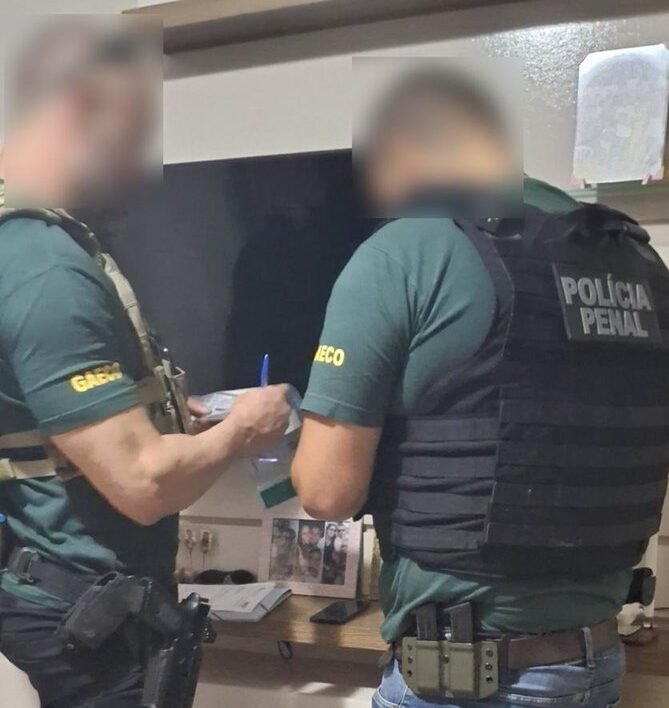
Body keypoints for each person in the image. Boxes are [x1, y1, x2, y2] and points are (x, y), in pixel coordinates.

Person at [292, 66, 669, 707]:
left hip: (468, 680)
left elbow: (327, 492)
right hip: (596, 663)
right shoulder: (636, 259)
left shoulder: (407, 251)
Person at [0, 20, 291, 708]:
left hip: (54, 592)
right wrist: (243, 429)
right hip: (89, 615)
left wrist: (167, 413)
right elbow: (142, 482)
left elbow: (46, 416)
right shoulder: (46, 267)